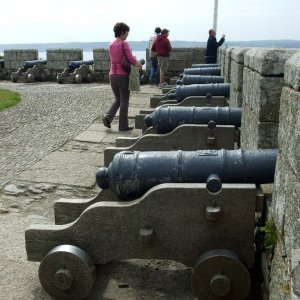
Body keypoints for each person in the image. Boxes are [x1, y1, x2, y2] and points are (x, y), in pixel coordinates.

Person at [102, 22, 142, 131]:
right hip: (122, 75)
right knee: (124, 100)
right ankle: (123, 126)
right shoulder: (124, 44)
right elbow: (130, 59)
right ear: (122, 32)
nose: (128, 35)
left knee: (118, 99)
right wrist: (139, 65)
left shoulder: (111, 45)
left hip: (112, 75)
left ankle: (108, 117)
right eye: (127, 32)